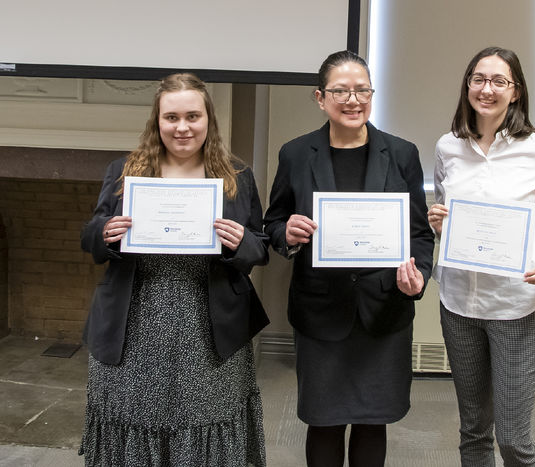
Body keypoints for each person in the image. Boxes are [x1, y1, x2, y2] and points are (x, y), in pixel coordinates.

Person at [79, 73, 269, 466]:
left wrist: (240, 243)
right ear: (157, 121)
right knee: (133, 415)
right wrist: (106, 232)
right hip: (135, 320)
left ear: (208, 120)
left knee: (205, 420)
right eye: (171, 117)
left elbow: (260, 248)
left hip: (211, 323)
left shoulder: (236, 176)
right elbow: (91, 236)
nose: (182, 127)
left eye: (193, 116)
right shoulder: (124, 171)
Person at [263, 50, 434, 467]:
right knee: (324, 422)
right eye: (341, 90)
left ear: (372, 95)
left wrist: (420, 277)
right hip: (321, 309)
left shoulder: (402, 153)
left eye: (362, 90)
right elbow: (273, 222)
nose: (352, 99)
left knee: (374, 421)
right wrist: (285, 233)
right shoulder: (297, 154)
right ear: (321, 98)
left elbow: (418, 233)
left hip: (384, 308)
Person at [429, 46, 535, 466]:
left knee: (514, 439)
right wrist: (439, 223)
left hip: (516, 308)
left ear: (515, 92)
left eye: (500, 81)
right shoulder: (448, 147)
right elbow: (449, 219)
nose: (487, 89)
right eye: (479, 79)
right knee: (473, 432)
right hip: (458, 305)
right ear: (467, 86)